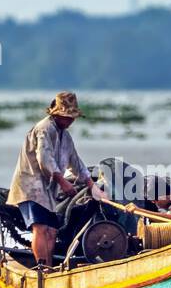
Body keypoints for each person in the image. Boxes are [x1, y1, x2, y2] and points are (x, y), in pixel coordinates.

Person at [7, 91, 105, 267]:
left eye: (72, 118)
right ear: (57, 114)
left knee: (52, 231)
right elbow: (44, 159)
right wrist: (63, 182)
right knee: (41, 228)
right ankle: (42, 269)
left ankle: (48, 267)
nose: (70, 121)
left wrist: (92, 186)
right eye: (67, 117)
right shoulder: (44, 129)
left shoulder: (65, 135)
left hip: (47, 191)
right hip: (31, 188)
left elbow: (75, 162)